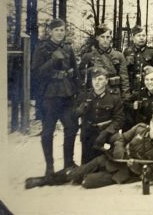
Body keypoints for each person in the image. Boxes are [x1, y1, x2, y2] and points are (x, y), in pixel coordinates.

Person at [26, 112, 153, 189]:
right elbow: (120, 138)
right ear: (150, 123)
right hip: (109, 159)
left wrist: (136, 167)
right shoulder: (140, 129)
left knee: (87, 182)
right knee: (78, 172)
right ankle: (44, 180)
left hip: (121, 174)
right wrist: (120, 148)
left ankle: (79, 176)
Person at [31, 18, 79, 176]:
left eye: (62, 30)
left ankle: (68, 163)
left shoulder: (68, 48)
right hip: (49, 96)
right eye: (57, 30)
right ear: (50, 32)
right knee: (47, 132)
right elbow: (36, 73)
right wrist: (52, 61)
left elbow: (74, 71)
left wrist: (76, 92)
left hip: (67, 94)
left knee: (71, 128)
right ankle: (49, 167)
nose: (60, 33)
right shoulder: (42, 49)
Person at [76, 67, 125, 164]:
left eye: (100, 79)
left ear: (106, 81)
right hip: (89, 134)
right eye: (94, 79)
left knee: (104, 163)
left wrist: (107, 132)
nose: (96, 82)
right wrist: (80, 110)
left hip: (106, 134)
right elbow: (75, 114)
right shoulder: (85, 96)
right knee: (86, 164)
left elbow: (119, 119)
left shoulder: (114, 98)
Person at [79, 23, 130, 99]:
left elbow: (124, 77)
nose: (105, 40)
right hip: (95, 93)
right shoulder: (88, 56)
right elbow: (81, 75)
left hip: (114, 93)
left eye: (107, 37)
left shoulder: (119, 55)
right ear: (97, 38)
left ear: (110, 38)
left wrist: (125, 94)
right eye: (102, 37)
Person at [123, 25, 153, 92]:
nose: (141, 38)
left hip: (148, 86)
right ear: (133, 38)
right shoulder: (127, 52)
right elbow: (124, 72)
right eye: (139, 35)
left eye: (143, 35)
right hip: (132, 86)